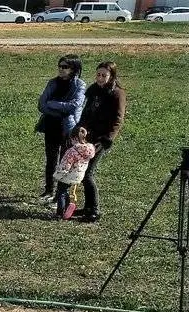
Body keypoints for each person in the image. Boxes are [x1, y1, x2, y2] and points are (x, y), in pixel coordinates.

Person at [74, 61, 126, 223]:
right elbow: (86, 113)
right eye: (98, 74)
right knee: (83, 172)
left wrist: (106, 140)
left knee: (88, 174)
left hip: (101, 139)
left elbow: (118, 120)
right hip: (89, 137)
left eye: (104, 75)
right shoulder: (94, 90)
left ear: (111, 77)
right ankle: (88, 207)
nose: (101, 78)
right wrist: (81, 127)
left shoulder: (117, 94)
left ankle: (95, 210)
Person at [36, 54, 86, 204]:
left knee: (65, 162)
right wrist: (58, 110)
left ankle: (60, 196)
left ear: (74, 69)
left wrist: (53, 104)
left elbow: (75, 105)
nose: (61, 69)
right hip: (51, 125)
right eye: (60, 66)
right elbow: (42, 105)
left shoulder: (80, 85)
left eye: (65, 67)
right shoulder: (52, 83)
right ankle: (48, 190)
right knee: (51, 160)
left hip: (67, 128)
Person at [52, 127, 96, 221]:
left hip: (67, 176)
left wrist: (58, 175)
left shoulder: (72, 151)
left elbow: (65, 165)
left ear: (74, 138)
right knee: (66, 191)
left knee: (61, 193)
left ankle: (60, 212)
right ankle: (68, 208)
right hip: (78, 175)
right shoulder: (90, 150)